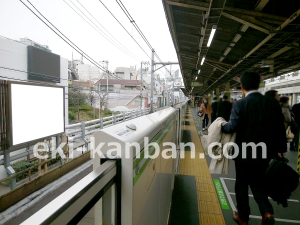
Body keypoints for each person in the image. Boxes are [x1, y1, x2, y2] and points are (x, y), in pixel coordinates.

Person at [222, 71, 287, 225]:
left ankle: (243, 217)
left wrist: (223, 127)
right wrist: (281, 148)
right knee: (258, 182)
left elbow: (233, 127)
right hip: (265, 153)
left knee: (242, 184)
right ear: (259, 85)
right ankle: (267, 212)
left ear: (242, 87)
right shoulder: (272, 103)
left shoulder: (240, 104)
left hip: (243, 152)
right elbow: (280, 129)